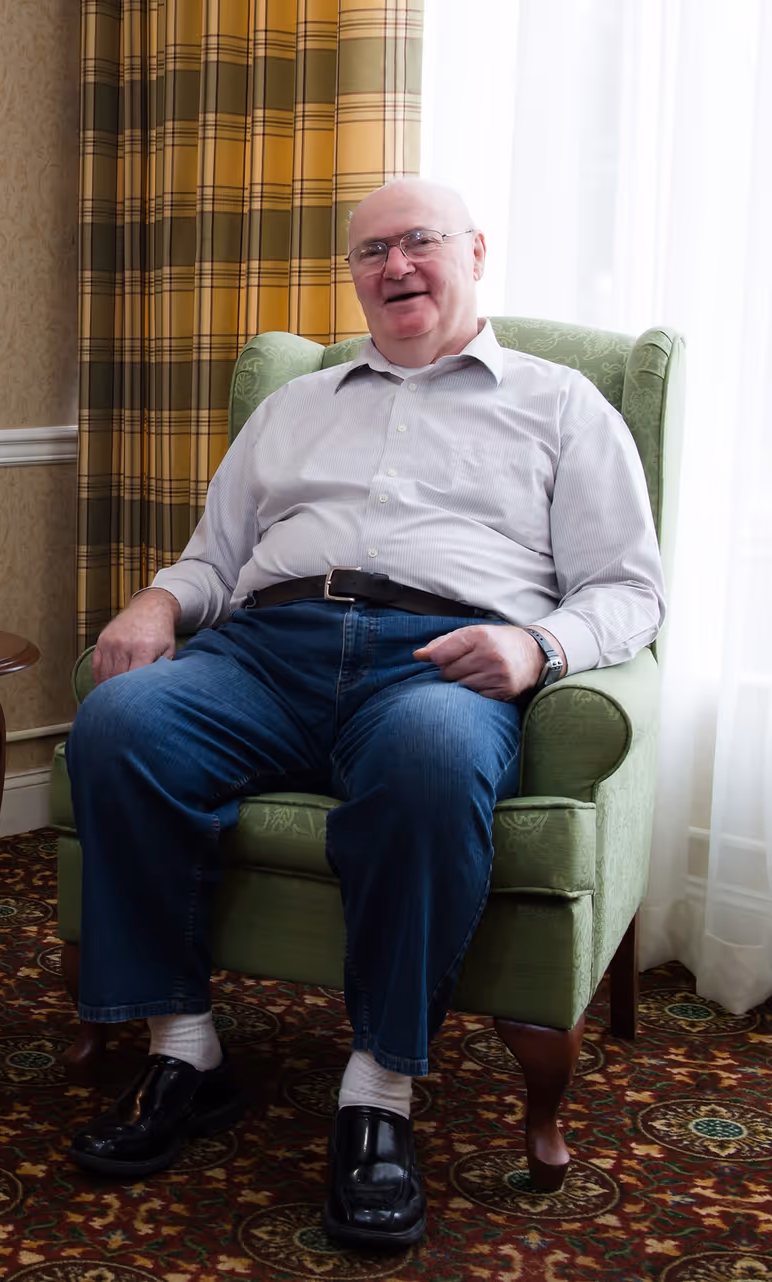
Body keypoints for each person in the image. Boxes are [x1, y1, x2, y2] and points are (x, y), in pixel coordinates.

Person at [62, 179, 664, 1249]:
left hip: (435, 664)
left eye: (418, 243)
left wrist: (537, 645)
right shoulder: (297, 405)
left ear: (475, 250)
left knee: (433, 762)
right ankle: (185, 1048)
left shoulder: (564, 404)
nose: (395, 268)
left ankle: (378, 1093)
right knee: (120, 725)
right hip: (266, 651)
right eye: (372, 252)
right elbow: (214, 560)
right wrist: (158, 599)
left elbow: (630, 589)